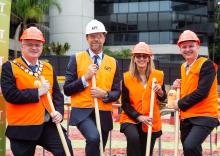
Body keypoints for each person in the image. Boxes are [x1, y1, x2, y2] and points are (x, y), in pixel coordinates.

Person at [1, 26, 73, 156]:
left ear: (42, 47)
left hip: (48, 126)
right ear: (22, 46)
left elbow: (57, 95)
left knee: (65, 150)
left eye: (37, 45)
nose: (34, 48)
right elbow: (10, 95)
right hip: (22, 127)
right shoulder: (10, 67)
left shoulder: (47, 67)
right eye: (30, 44)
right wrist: (38, 92)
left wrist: (59, 112)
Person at [63, 19, 120, 156]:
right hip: (82, 112)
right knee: (94, 138)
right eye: (92, 36)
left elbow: (117, 92)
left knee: (100, 149)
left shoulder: (113, 62)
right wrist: (85, 78)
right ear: (87, 38)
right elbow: (67, 89)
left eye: (99, 36)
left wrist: (105, 94)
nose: (96, 39)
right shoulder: (76, 58)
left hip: (104, 113)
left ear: (104, 38)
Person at [170, 30, 219, 156]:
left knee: (190, 146)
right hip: (187, 117)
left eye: (191, 46)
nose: (187, 49)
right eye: (184, 47)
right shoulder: (183, 67)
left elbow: (202, 92)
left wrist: (179, 103)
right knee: (189, 150)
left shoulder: (207, 64)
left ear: (197, 46)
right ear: (180, 49)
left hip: (205, 115)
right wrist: (177, 86)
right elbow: (189, 88)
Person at [119, 42, 167, 156]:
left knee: (146, 152)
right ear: (134, 59)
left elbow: (163, 98)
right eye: (138, 56)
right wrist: (138, 117)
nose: (141, 59)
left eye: (144, 56)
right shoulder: (127, 77)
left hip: (150, 119)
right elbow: (125, 104)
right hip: (130, 118)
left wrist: (160, 91)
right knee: (133, 138)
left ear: (149, 59)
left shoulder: (158, 76)